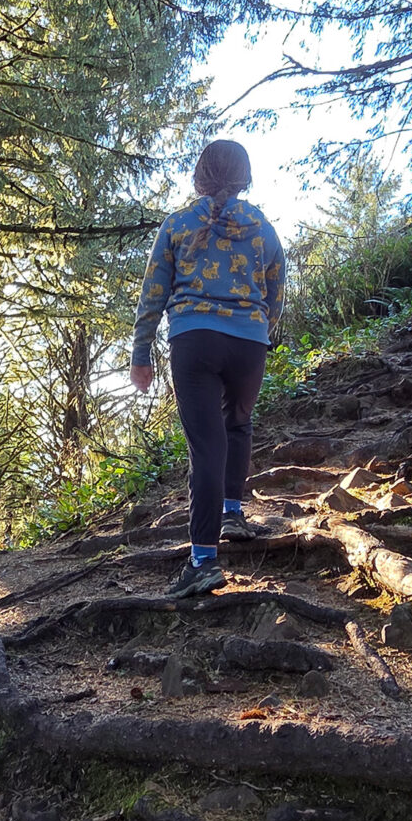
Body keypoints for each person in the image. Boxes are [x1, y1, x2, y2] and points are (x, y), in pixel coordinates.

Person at [130, 139, 284, 596]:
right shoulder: (263, 228)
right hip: (249, 342)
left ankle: (203, 561)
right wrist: (260, 331)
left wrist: (142, 354)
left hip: (194, 341)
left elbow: (152, 293)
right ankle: (232, 513)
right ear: (245, 175)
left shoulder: (178, 224)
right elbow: (275, 293)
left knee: (206, 446)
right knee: (237, 424)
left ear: (200, 175)